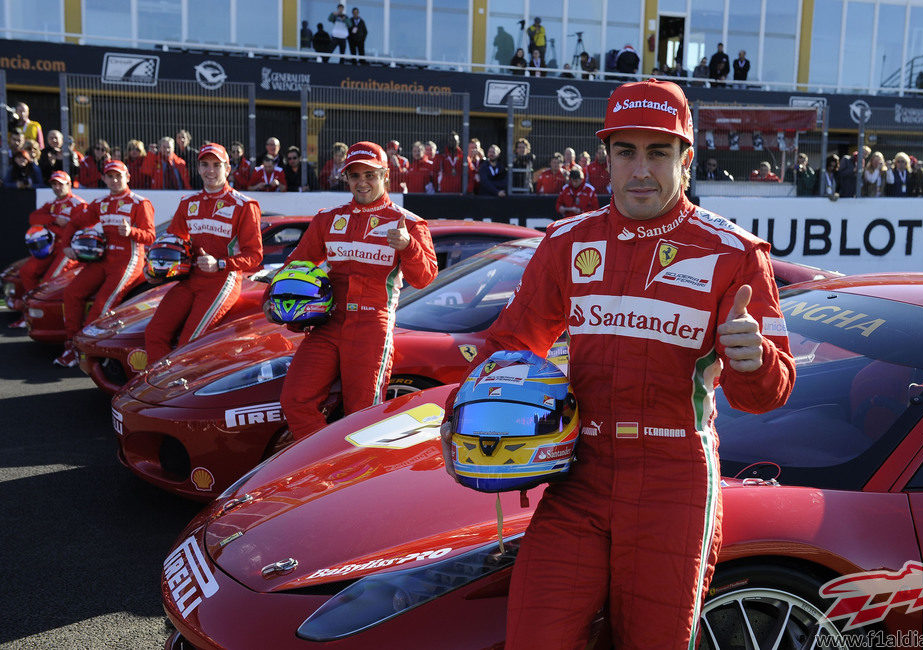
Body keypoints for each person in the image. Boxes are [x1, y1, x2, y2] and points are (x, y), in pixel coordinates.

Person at [441, 79, 795, 649]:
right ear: (605, 157)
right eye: (626, 151)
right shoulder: (566, 243)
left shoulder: (734, 254)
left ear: (686, 157)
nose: (640, 170)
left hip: (673, 480)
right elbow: (508, 346)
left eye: (658, 152)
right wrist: (475, 411)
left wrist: (753, 364)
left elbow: (767, 396)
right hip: (578, 474)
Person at [273, 141, 437, 439]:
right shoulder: (328, 218)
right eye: (354, 175)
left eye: (370, 175)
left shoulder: (408, 224)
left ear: (386, 175)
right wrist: (274, 301)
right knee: (295, 400)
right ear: (346, 177)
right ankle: (323, 466)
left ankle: (355, 480)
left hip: (371, 326)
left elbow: (425, 277)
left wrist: (409, 247)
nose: (362, 182)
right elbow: (295, 264)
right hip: (328, 323)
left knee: (362, 417)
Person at [145, 143, 263, 363]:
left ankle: (178, 392)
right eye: (205, 164)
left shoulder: (245, 205)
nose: (210, 170)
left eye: (217, 165)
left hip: (222, 280)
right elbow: (173, 243)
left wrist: (220, 263)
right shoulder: (188, 203)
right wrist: (153, 269)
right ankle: (160, 389)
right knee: (154, 332)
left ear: (228, 169)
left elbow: (254, 256)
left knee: (188, 345)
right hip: (190, 280)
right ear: (198, 169)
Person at [58, 160, 155, 367]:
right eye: (110, 176)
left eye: (118, 176)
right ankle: (71, 346)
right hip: (103, 259)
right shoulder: (101, 202)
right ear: (104, 179)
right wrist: (66, 245)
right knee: (72, 292)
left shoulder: (140, 202)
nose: (114, 180)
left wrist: (132, 232)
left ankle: (85, 352)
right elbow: (75, 222)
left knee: (102, 304)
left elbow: (151, 237)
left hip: (128, 261)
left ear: (128, 177)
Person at [13, 171, 87, 326]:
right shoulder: (53, 204)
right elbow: (33, 218)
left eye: (60, 184)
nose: (57, 187)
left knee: (48, 283)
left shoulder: (78, 204)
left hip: (69, 249)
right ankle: (30, 312)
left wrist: (59, 226)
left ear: (69, 184)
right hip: (51, 247)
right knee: (26, 271)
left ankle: (43, 318)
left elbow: (83, 228)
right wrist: (54, 219)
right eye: (54, 184)